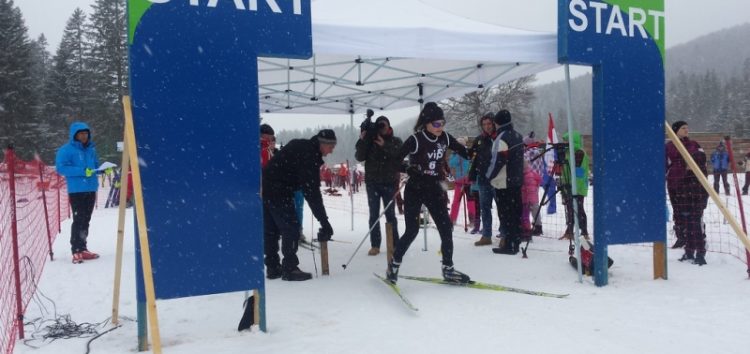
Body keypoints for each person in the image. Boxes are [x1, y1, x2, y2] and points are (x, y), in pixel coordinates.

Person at [386, 102, 472, 284]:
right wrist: (408, 168)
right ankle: (393, 265)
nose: (440, 127)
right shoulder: (415, 140)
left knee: (445, 228)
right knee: (412, 230)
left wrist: (477, 153)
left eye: (443, 122)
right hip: (415, 188)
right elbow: (394, 161)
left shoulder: (446, 138)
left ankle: (448, 269)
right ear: (426, 123)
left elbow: (465, 152)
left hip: (434, 188)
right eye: (436, 124)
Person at [263, 129, 337, 281]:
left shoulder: (302, 146)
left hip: (267, 187)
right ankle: (289, 268)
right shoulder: (309, 156)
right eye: (331, 146)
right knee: (291, 227)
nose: (331, 151)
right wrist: (324, 222)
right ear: (323, 144)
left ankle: (272, 267)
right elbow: (312, 193)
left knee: (271, 230)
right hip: (279, 190)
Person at [355, 115, 403, 256]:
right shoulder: (370, 141)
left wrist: (384, 145)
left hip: (389, 182)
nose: (383, 128)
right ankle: (375, 245)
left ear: (389, 126)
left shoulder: (395, 141)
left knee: (390, 215)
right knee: (373, 214)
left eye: (385, 125)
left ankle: (395, 244)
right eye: (380, 126)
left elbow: (399, 156)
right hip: (372, 183)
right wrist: (363, 140)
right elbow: (359, 157)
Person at [55, 122, 102, 264]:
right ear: (74, 135)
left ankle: (83, 248)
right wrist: (82, 171)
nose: (84, 136)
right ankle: (76, 250)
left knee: (86, 219)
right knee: (79, 219)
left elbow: (95, 165)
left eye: (86, 133)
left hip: (91, 188)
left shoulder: (91, 149)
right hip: (77, 190)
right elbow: (61, 168)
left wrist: (101, 169)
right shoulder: (66, 150)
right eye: (81, 133)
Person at [666, 121, 709, 265]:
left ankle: (700, 247)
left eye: (687, 128)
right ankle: (685, 244)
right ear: (675, 131)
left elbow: (702, 162)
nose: (686, 130)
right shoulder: (669, 147)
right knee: (680, 216)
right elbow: (664, 165)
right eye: (683, 128)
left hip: (694, 187)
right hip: (676, 186)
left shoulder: (694, 145)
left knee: (694, 220)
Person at [486, 110, 525, 255]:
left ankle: (509, 245)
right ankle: (516, 239)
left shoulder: (501, 138)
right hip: (516, 181)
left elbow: (498, 161)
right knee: (515, 213)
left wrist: (488, 176)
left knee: (506, 214)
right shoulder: (518, 136)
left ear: (497, 122)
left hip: (504, 182)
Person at [468, 113, 499, 246]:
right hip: (483, 179)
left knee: (502, 207)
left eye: (489, 124)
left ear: (493, 124)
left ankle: (504, 234)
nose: (487, 127)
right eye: (484, 124)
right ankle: (486, 235)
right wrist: (472, 175)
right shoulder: (479, 139)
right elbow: (472, 156)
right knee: (485, 208)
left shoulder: (499, 137)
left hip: (498, 179)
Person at [558, 130, 590, 240]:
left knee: (579, 208)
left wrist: (573, 186)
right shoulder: (568, 152)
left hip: (578, 186)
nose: (564, 142)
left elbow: (579, 172)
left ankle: (584, 232)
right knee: (569, 208)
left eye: (566, 140)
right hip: (568, 184)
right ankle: (569, 231)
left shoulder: (579, 152)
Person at [448, 138, 476, 228]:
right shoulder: (467, 152)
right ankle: (472, 220)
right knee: (470, 200)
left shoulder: (459, 154)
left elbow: (452, 163)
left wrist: (455, 154)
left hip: (462, 180)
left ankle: (453, 219)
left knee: (458, 201)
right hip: (467, 180)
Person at [521, 160, 542, 237]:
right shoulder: (531, 172)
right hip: (533, 197)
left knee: (526, 215)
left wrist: (528, 200)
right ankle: (538, 226)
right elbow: (539, 179)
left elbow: (529, 189)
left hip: (528, 199)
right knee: (535, 212)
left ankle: (528, 230)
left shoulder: (526, 176)